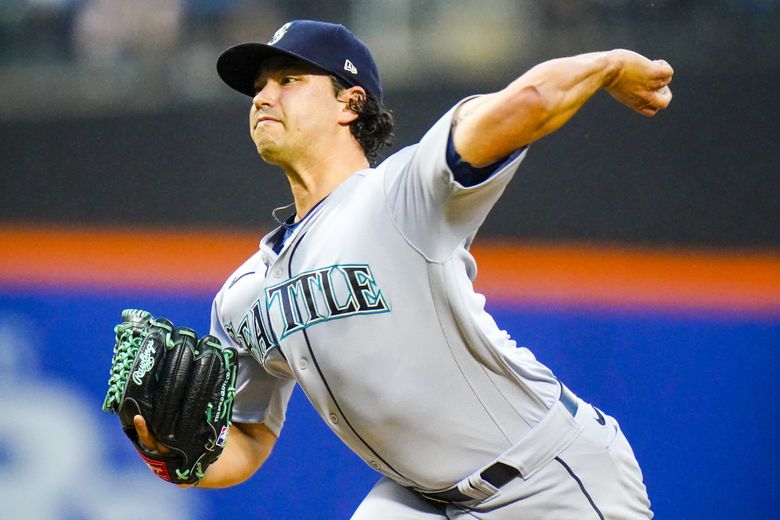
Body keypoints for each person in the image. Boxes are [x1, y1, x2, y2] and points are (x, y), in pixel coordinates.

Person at [135, 19, 672, 518]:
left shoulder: (402, 193)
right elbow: (249, 438)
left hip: (546, 479)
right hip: (423, 498)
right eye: (258, 87)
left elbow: (528, 101)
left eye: (289, 79)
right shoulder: (241, 296)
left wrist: (610, 65)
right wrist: (174, 458)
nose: (263, 97)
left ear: (350, 103)